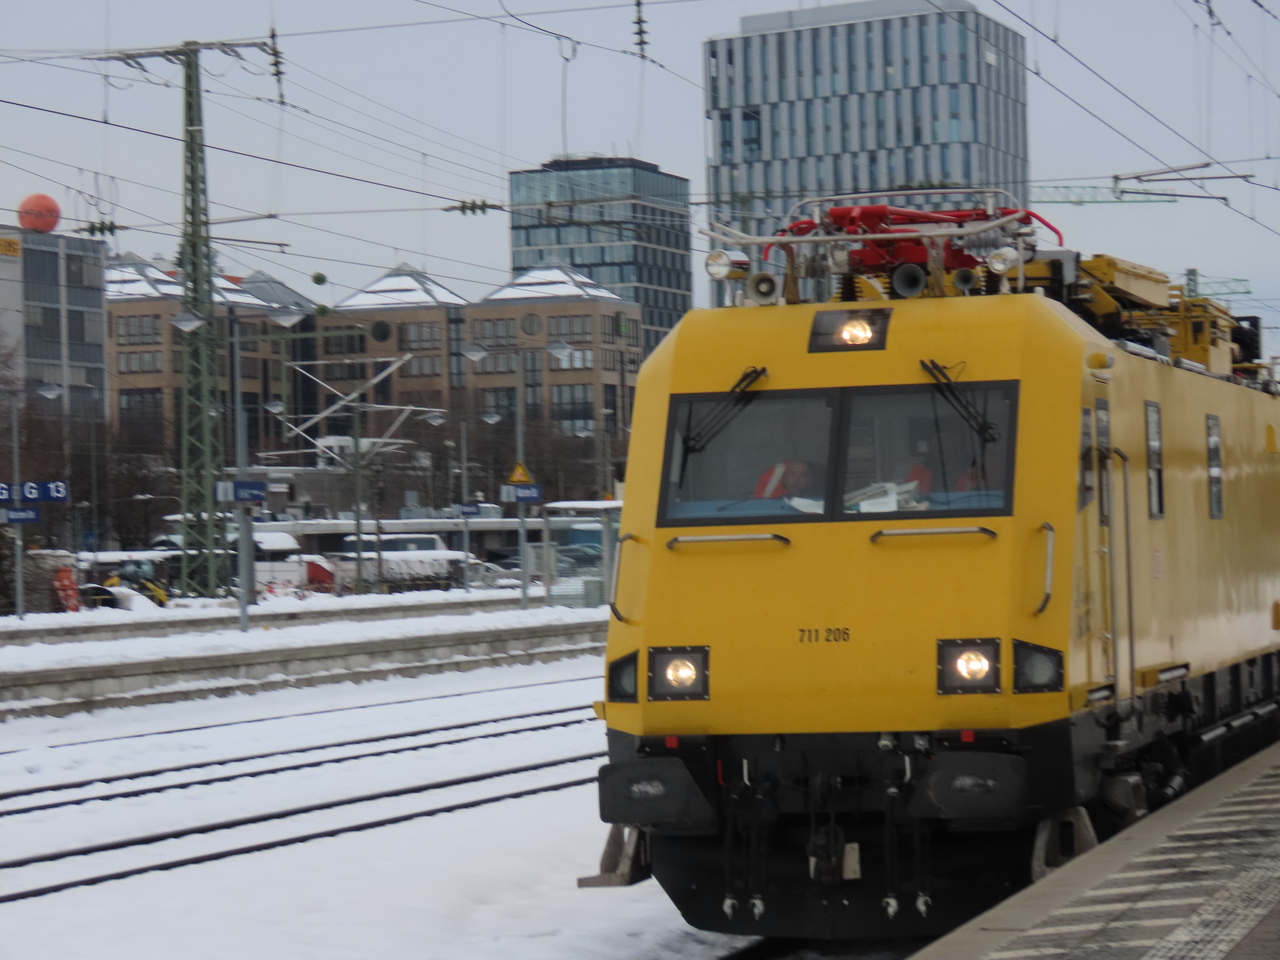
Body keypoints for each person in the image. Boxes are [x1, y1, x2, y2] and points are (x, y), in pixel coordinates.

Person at [754, 460, 823, 499]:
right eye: (791, 475)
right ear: (784, 480)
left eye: (803, 475)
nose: (796, 480)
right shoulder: (774, 503)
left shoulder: (820, 502)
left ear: (810, 480)